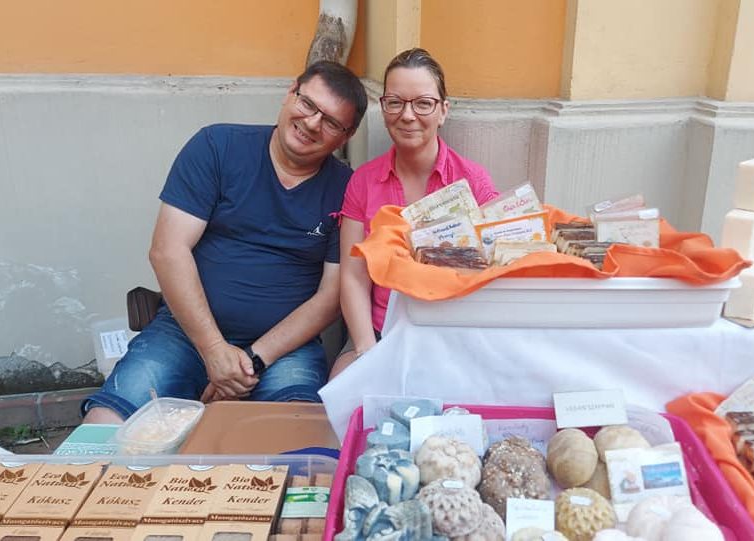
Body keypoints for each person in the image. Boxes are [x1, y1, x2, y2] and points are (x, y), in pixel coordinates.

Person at [82, 61, 368, 423]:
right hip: (183, 333)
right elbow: (167, 251)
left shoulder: (346, 188)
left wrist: (250, 361)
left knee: (297, 432)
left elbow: (331, 296)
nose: (312, 123)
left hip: (285, 350)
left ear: (346, 136)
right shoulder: (218, 147)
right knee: (109, 419)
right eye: (308, 104)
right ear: (290, 92)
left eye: (330, 122)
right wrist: (214, 350)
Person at [332, 48, 499, 378]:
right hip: (382, 333)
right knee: (340, 386)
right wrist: (367, 349)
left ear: (443, 111)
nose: (407, 115)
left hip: (452, 335)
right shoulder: (363, 181)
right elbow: (353, 276)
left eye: (423, 103)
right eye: (395, 102)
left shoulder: (472, 181)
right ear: (383, 108)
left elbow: (495, 267)